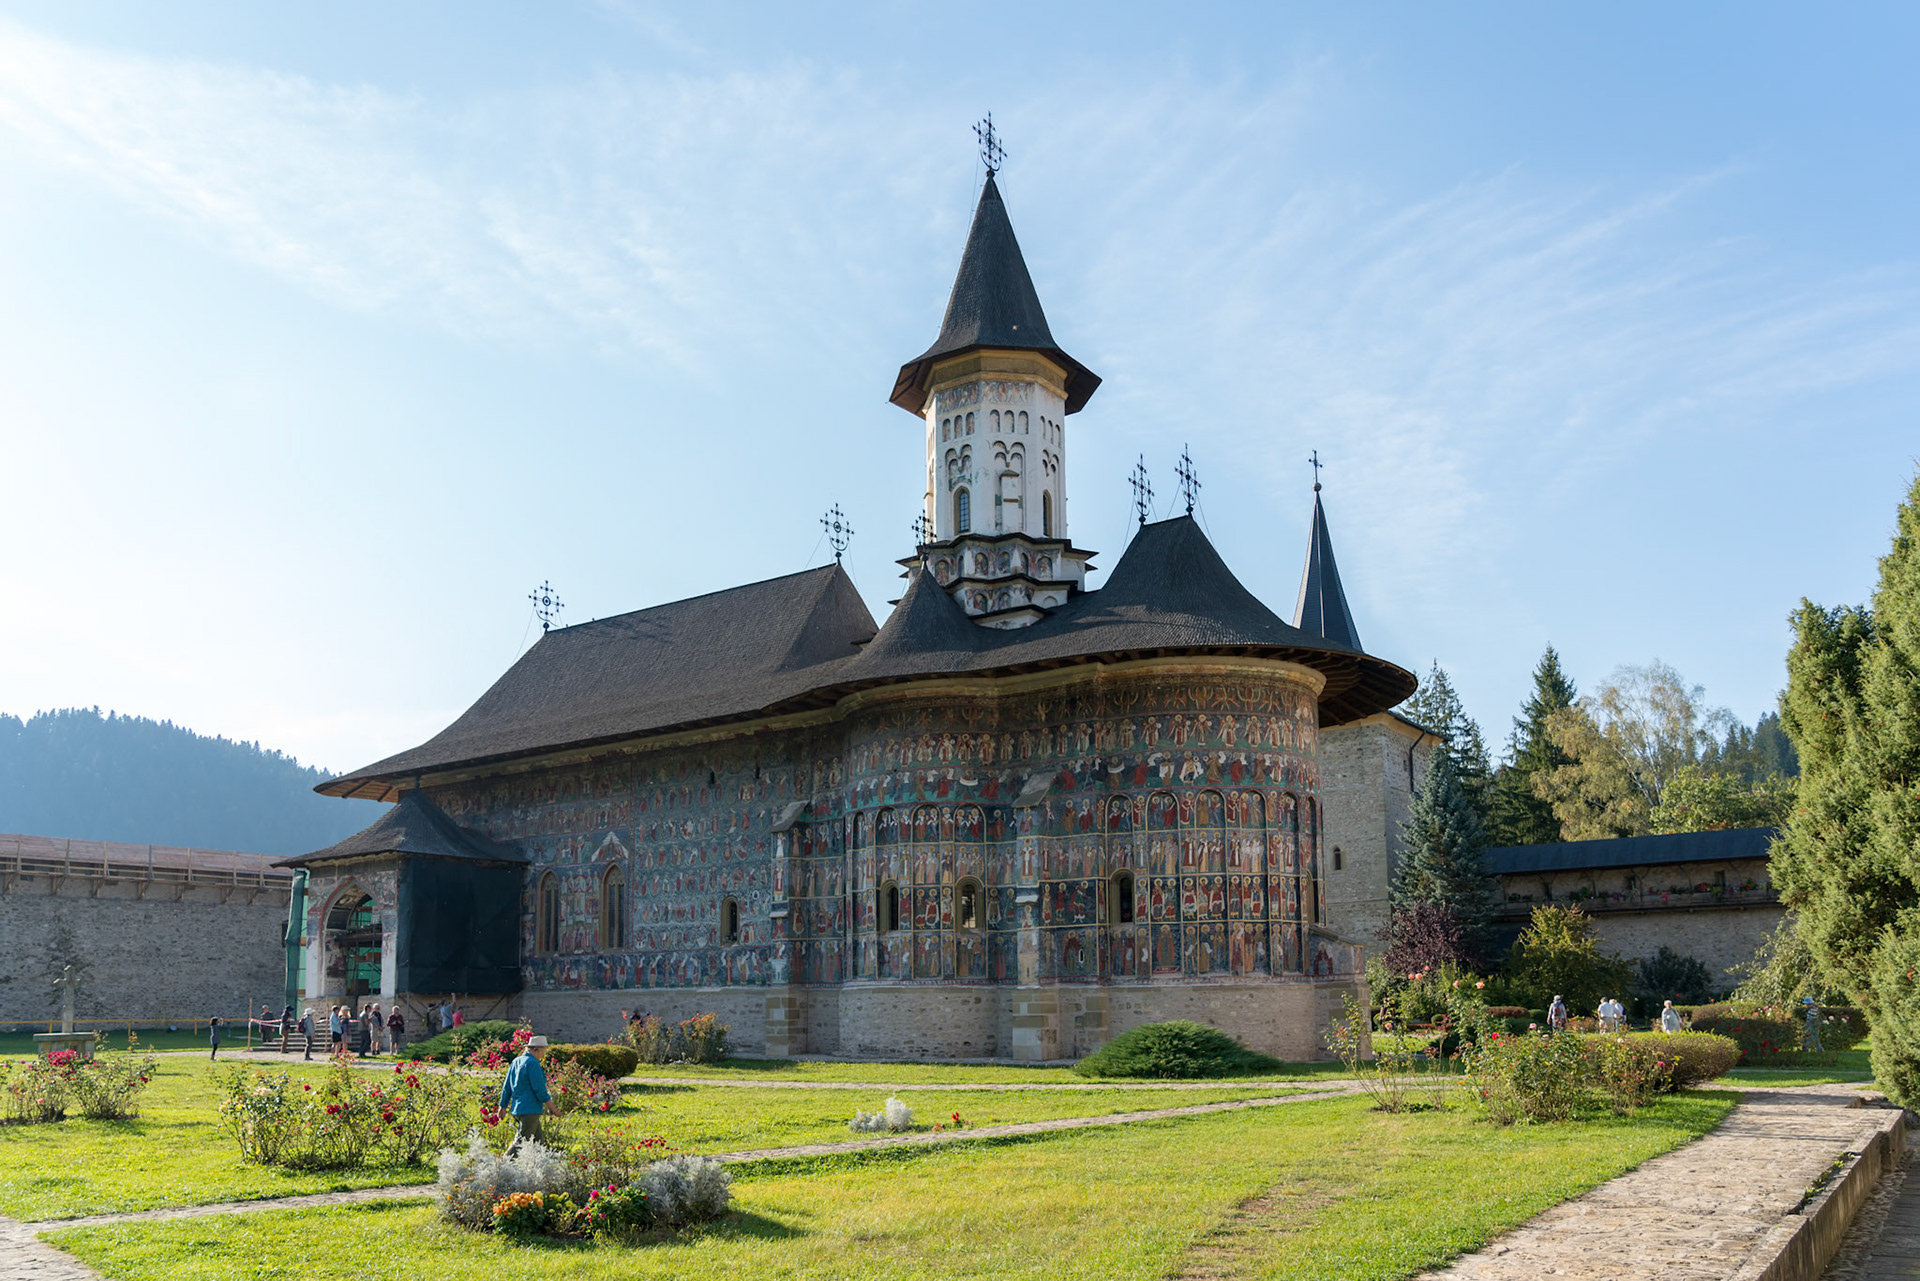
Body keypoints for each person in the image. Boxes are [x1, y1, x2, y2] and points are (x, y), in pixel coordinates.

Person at [499, 1035, 552, 1154]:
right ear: (536, 1049)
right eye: (543, 1050)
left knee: (538, 1143)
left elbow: (507, 1086)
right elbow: (540, 1090)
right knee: (522, 1142)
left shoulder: (516, 1061)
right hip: (530, 1109)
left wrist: (502, 1106)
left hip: (519, 1109)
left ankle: (540, 1169)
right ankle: (502, 1166)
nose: (544, 1053)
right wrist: (552, 1108)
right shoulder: (533, 1063)